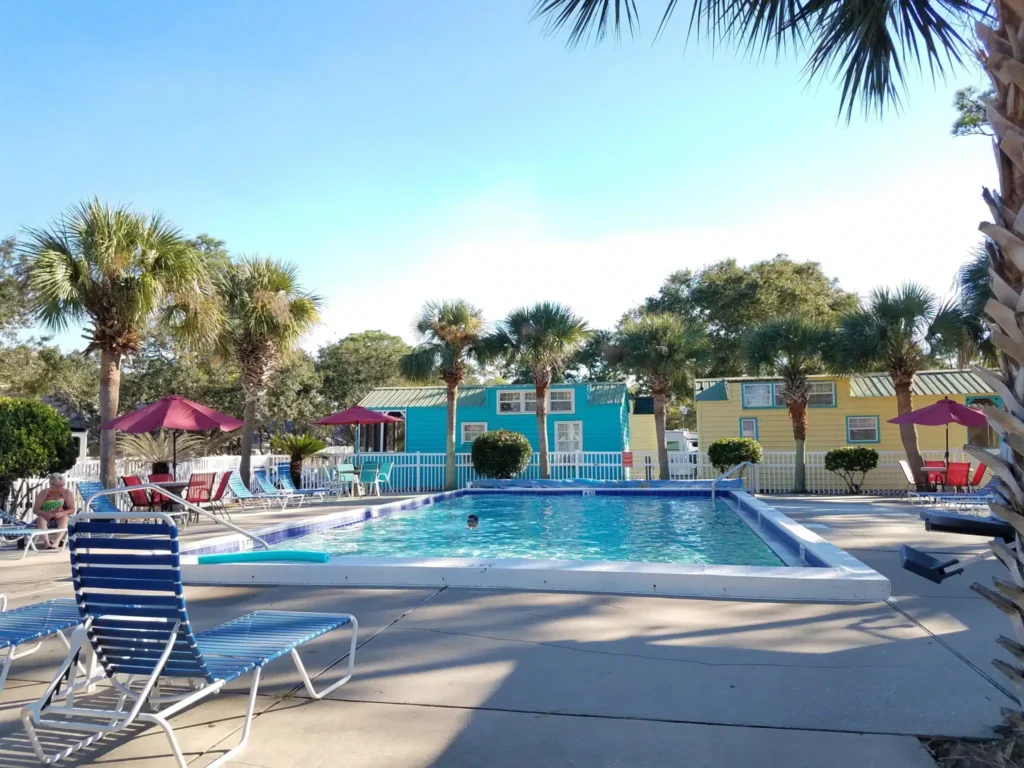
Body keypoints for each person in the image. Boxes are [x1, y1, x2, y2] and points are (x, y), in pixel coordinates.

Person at [32, 473, 75, 549]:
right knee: (41, 519)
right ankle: (46, 543)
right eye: (57, 486)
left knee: (65, 518)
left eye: (62, 485)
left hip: (60, 515)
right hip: (46, 515)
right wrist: (44, 514)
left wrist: (61, 513)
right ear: (51, 485)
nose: (60, 488)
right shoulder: (44, 493)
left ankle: (56, 542)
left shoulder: (66, 493)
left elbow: (72, 509)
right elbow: (35, 510)